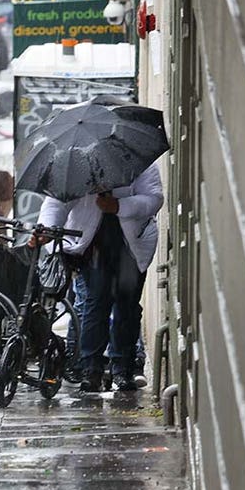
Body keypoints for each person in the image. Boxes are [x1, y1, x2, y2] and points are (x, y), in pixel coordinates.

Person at [35, 164, 163, 392]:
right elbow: (58, 201)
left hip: (130, 245)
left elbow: (153, 199)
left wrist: (118, 206)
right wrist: (46, 229)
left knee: (127, 306)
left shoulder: (138, 159)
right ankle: (91, 369)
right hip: (92, 244)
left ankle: (123, 369)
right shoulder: (79, 161)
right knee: (95, 303)